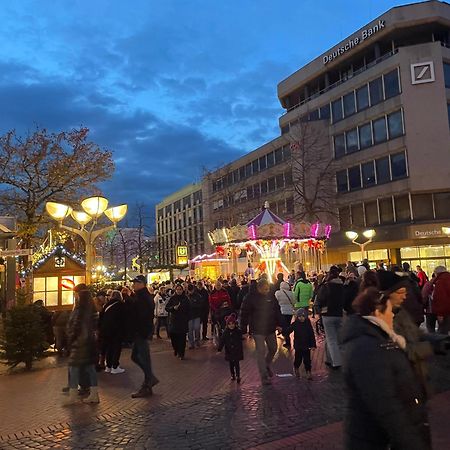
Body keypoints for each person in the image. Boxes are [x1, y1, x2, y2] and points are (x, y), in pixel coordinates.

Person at [342, 288, 431, 450]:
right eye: (389, 310)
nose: (392, 315)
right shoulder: (366, 348)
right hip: (373, 441)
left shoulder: (379, 337)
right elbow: (387, 405)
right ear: (378, 312)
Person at [241, 279, 283, 385]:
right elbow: (244, 313)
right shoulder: (250, 298)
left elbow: (276, 310)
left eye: (268, 288)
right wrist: (243, 329)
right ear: (259, 288)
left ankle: (266, 364)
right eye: (265, 289)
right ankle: (264, 375)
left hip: (270, 327)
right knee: (261, 350)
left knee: (273, 348)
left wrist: (279, 324)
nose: (267, 290)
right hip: (257, 328)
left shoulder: (271, 296)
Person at [64, 289, 99, 405]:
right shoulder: (92, 310)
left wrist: (72, 338)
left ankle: (73, 395)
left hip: (80, 344)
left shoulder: (80, 311)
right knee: (90, 368)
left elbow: (75, 326)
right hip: (89, 343)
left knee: (74, 368)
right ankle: (94, 394)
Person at [130, 275, 158, 398]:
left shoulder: (143, 297)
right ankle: (149, 379)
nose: (133, 285)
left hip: (141, 332)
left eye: (135, 283)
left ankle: (148, 381)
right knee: (136, 356)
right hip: (141, 331)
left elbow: (142, 316)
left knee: (142, 357)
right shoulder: (141, 296)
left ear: (141, 283)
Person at [317, 267, 344, 369]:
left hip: (327, 314)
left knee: (331, 338)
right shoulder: (341, 286)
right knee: (336, 338)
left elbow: (320, 298)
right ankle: (329, 358)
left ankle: (336, 362)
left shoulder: (326, 286)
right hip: (339, 313)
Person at [100, 290, 125, 374]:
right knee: (116, 348)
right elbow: (123, 319)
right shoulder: (121, 305)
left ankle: (108, 366)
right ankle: (115, 366)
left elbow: (101, 316)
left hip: (106, 330)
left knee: (109, 348)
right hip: (116, 330)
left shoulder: (107, 305)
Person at [287, 308, 316, 379]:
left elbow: (311, 334)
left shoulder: (308, 324)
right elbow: (289, 330)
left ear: (305, 316)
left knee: (307, 360)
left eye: (303, 316)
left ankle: (308, 372)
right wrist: (285, 331)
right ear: (297, 317)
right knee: (298, 359)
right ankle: (296, 368)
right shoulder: (295, 324)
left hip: (306, 345)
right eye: (299, 316)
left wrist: (313, 345)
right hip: (298, 345)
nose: (301, 318)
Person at [166, 284, 190, 359]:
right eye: (177, 289)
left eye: (180, 289)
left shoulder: (185, 298)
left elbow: (189, 308)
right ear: (175, 290)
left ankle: (181, 353)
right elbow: (167, 308)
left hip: (183, 321)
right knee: (174, 337)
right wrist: (173, 308)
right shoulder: (172, 298)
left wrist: (187, 317)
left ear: (182, 290)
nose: (179, 291)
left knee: (182, 338)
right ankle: (176, 349)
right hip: (174, 321)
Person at [217, 313, 244, 383]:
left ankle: (238, 375)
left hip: (236, 350)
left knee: (237, 364)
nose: (231, 325)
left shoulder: (238, 331)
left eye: (232, 324)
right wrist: (219, 349)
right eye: (229, 324)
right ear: (227, 325)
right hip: (229, 351)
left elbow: (240, 338)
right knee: (231, 364)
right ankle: (233, 374)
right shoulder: (226, 332)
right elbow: (222, 341)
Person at [275, 281, 295, 349]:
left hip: (282, 311)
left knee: (284, 326)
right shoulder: (291, 293)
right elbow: (294, 302)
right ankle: (287, 339)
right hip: (290, 312)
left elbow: (275, 301)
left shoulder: (277, 293)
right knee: (287, 326)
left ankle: (287, 340)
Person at [432, 266, 450, 334]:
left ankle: (443, 344)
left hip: (445, 312)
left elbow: (440, 299)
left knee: (443, 332)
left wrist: (440, 314)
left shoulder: (440, 282)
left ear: (437, 273)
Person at [186, 283, 203, 349]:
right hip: (189, 316)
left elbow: (200, 305)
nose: (190, 291)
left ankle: (197, 341)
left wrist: (193, 305)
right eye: (189, 290)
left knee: (197, 329)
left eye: (191, 290)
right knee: (190, 330)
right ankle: (191, 343)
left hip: (196, 315)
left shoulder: (197, 296)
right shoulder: (186, 296)